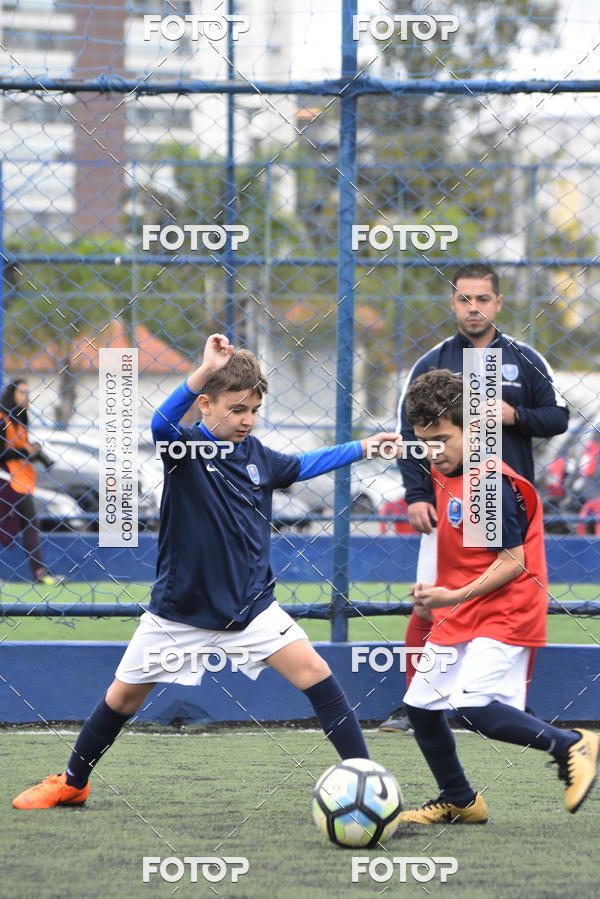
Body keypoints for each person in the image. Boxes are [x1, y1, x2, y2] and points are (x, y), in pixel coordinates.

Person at [12, 333, 402, 810]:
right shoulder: (184, 449)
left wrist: (364, 447)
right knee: (122, 699)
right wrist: (203, 366)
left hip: (251, 608)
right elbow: (160, 421)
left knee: (316, 672)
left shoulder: (258, 456)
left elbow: (303, 464)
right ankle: (73, 782)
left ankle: (364, 779)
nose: (247, 420)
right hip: (178, 614)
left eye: (254, 410)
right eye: (237, 409)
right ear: (205, 405)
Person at [393, 369, 598, 823]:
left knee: (474, 706)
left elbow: (512, 562)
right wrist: (441, 594)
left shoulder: (487, 483)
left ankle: (572, 744)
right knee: (421, 708)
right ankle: (460, 800)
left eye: (442, 439)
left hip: (506, 609)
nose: (432, 452)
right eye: (424, 441)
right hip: (465, 608)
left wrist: (449, 596)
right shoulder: (447, 465)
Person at [380, 262, 569, 732]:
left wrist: (514, 414)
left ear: (498, 303)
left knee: (510, 593)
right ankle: (417, 704)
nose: (473, 308)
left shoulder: (524, 359)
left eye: (482, 299)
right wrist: (416, 493)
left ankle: (505, 705)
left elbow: (558, 418)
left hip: (502, 504)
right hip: (447, 506)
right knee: (428, 601)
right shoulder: (433, 362)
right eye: (464, 299)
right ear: (453, 303)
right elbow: (409, 434)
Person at [0, 379, 57, 585]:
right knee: (29, 524)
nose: (26, 397)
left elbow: (19, 447)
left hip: (20, 480)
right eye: (21, 392)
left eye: (28, 392)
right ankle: (40, 572)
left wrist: (34, 453)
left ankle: (40, 572)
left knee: (31, 524)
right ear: (11, 395)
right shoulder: (2, 419)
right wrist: (25, 451)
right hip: (6, 480)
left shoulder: (20, 419)